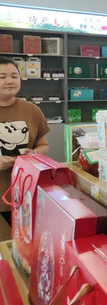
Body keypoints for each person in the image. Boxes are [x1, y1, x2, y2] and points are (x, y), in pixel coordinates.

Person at [0, 56, 50, 222]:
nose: (10, 81)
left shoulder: (32, 110)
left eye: (14, 76)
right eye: (2, 77)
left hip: (25, 193)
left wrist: (34, 154)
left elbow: (43, 145)